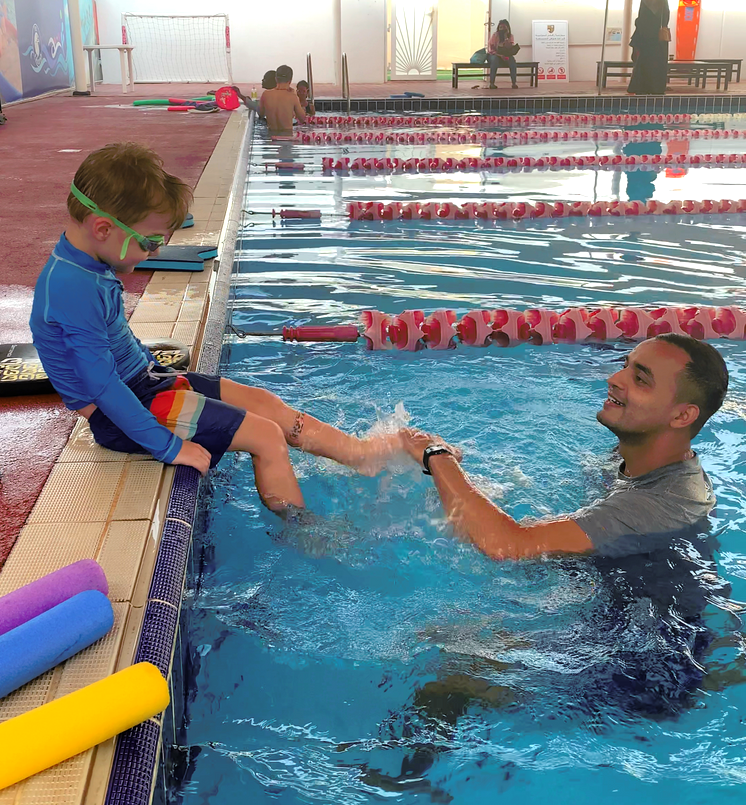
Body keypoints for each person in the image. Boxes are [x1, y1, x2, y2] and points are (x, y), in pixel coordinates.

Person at [30, 144, 403, 514]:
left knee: (263, 402)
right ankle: (306, 534)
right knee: (266, 437)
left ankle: (360, 455)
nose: (155, 252)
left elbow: (118, 342)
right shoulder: (72, 287)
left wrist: (158, 369)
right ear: (103, 228)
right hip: (121, 412)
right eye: (150, 241)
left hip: (147, 382)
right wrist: (169, 447)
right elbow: (103, 387)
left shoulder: (87, 267)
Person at [401, 335, 728, 560]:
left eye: (640, 379)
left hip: (639, 634)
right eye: (625, 365)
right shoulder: (637, 453)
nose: (614, 379)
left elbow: (505, 545)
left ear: (682, 416)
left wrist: (436, 455)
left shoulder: (660, 503)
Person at [627, 0, 670, 95]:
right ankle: (657, 88)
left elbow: (641, 18)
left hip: (645, 37)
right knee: (658, 63)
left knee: (643, 62)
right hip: (658, 38)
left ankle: (642, 87)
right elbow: (666, 16)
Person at [259, 64, 307, 139]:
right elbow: (302, 119)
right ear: (290, 81)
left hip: (271, 137)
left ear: (276, 79)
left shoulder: (265, 94)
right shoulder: (292, 96)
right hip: (287, 138)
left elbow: (261, 114)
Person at [487, 19, 519, 89]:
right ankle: (492, 83)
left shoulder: (510, 36)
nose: (502, 29)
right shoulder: (495, 35)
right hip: (494, 55)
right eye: (500, 27)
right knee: (495, 60)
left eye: (504, 27)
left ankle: (514, 83)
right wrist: (500, 55)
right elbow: (491, 50)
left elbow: (509, 47)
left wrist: (506, 37)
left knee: (512, 61)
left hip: (505, 55)